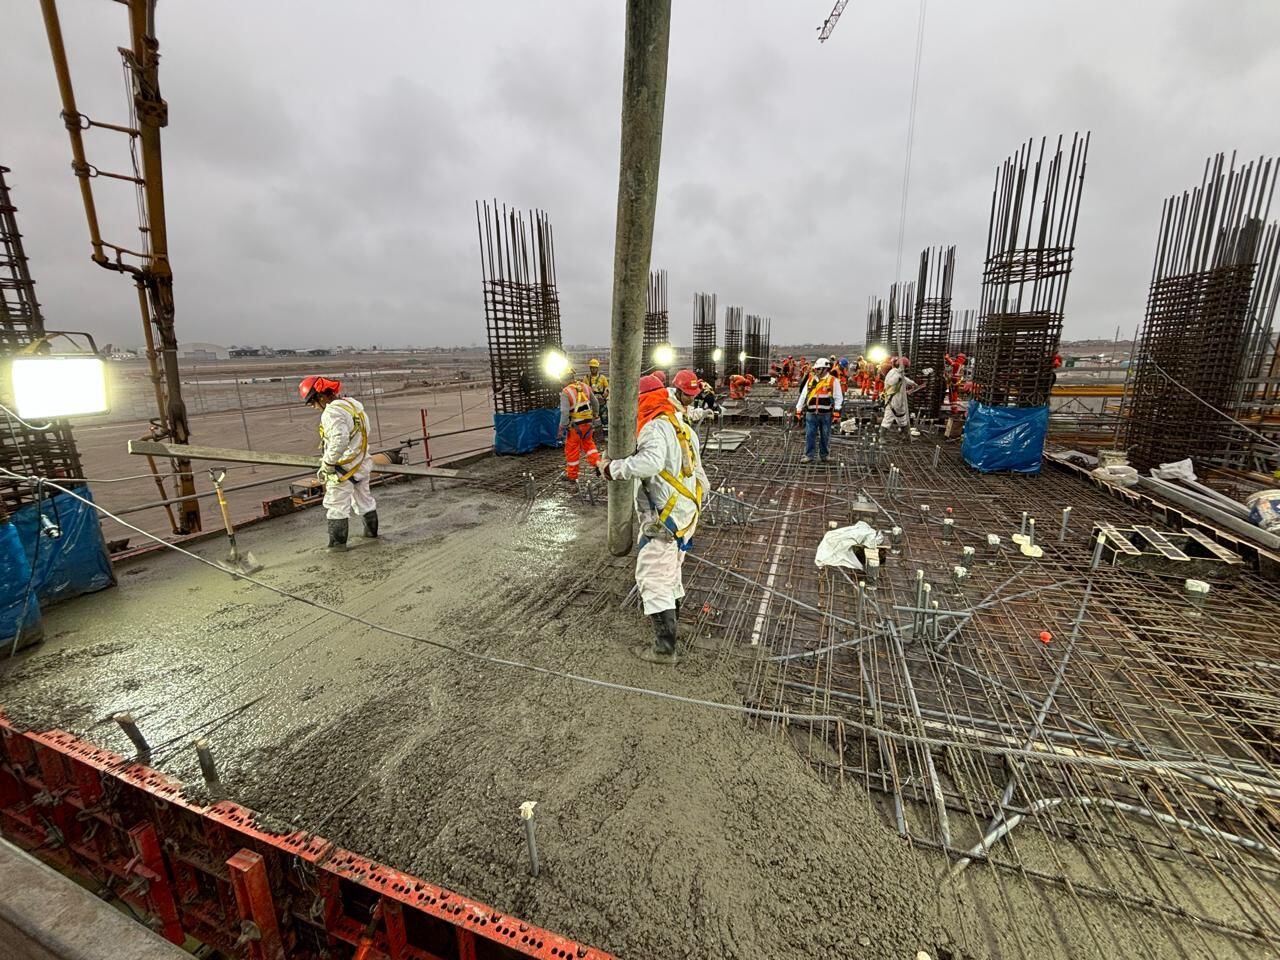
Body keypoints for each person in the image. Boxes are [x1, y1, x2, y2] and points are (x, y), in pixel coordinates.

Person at [598, 371, 707, 660]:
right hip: (684, 511)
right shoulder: (677, 422)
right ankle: (672, 627)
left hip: (667, 517)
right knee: (670, 571)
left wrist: (611, 468)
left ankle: (664, 649)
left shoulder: (654, 426)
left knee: (653, 577)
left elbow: (650, 462)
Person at [300, 375, 377, 550]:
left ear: (321, 397)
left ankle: (337, 549)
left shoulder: (331, 412)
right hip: (361, 463)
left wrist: (327, 464)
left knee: (336, 507)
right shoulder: (353, 405)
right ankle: (372, 537)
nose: (313, 407)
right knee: (365, 502)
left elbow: (339, 440)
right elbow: (365, 431)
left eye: (312, 403)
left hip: (343, 469)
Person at [795, 357, 843, 463]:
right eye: (816, 368)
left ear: (825, 369)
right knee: (809, 435)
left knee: (825, 435)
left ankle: (824, 455)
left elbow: (838, 397)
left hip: (826, 414)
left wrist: (837, 412)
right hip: (811, 413)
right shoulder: (811, 380)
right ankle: (809, 456)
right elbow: (803, 395)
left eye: (818, 368)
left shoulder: (833, 380)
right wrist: (798, 409)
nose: (816, 370)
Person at [557, 368, 600, 481]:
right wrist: (595, 414)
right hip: (588, 424)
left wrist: (562, 427)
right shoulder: (585, 386)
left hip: (575, 427)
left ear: (564, 379)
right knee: (589, 445)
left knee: (572, 450)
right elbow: (595, 403)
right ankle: (598, 464)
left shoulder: (566, 392)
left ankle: (572, 476)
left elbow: (565, 412)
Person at [880, 356, 920, 431]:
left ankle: (905, 434)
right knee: (887, 420)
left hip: (899, 402)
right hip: (892, 401)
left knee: (902, 420)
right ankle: (882, 436)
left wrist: (913, 384)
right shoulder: (893, 372)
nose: (906, 369)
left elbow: (905, 379)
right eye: (905, 367)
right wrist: (899, 374)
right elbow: (891, 382)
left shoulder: (899, 373)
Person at [587, 358, 610, 429]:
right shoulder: (586, 378)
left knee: (604, 419)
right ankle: (595, 432)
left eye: (594, 368)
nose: (593, 369)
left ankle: (605, 430)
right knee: (593, 420)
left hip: (601, 402)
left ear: (597, 368)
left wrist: (606, 392)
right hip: (591, 403)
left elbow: (607, 387)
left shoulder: (602, 378)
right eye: (591, 368)